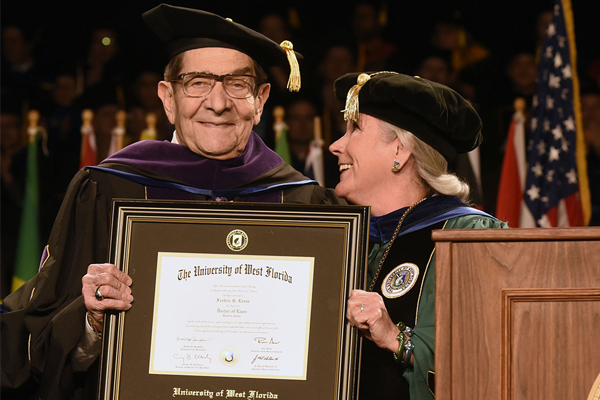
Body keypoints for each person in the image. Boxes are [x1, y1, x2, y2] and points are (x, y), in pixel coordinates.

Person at [0, 5, 344, 400]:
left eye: (237, 84)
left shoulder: (303, 203)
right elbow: (33, 340)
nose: (217, 103)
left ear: (261, 98)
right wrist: (91, 320)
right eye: (197, 82)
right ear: (168, 98)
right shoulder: (109, 189)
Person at [329, 71, 508, 399]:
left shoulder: (468, 238)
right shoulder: (343, 238)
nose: (335, 145)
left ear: (399, 150)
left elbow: (485, 365)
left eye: (355, 128)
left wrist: (392, 337)